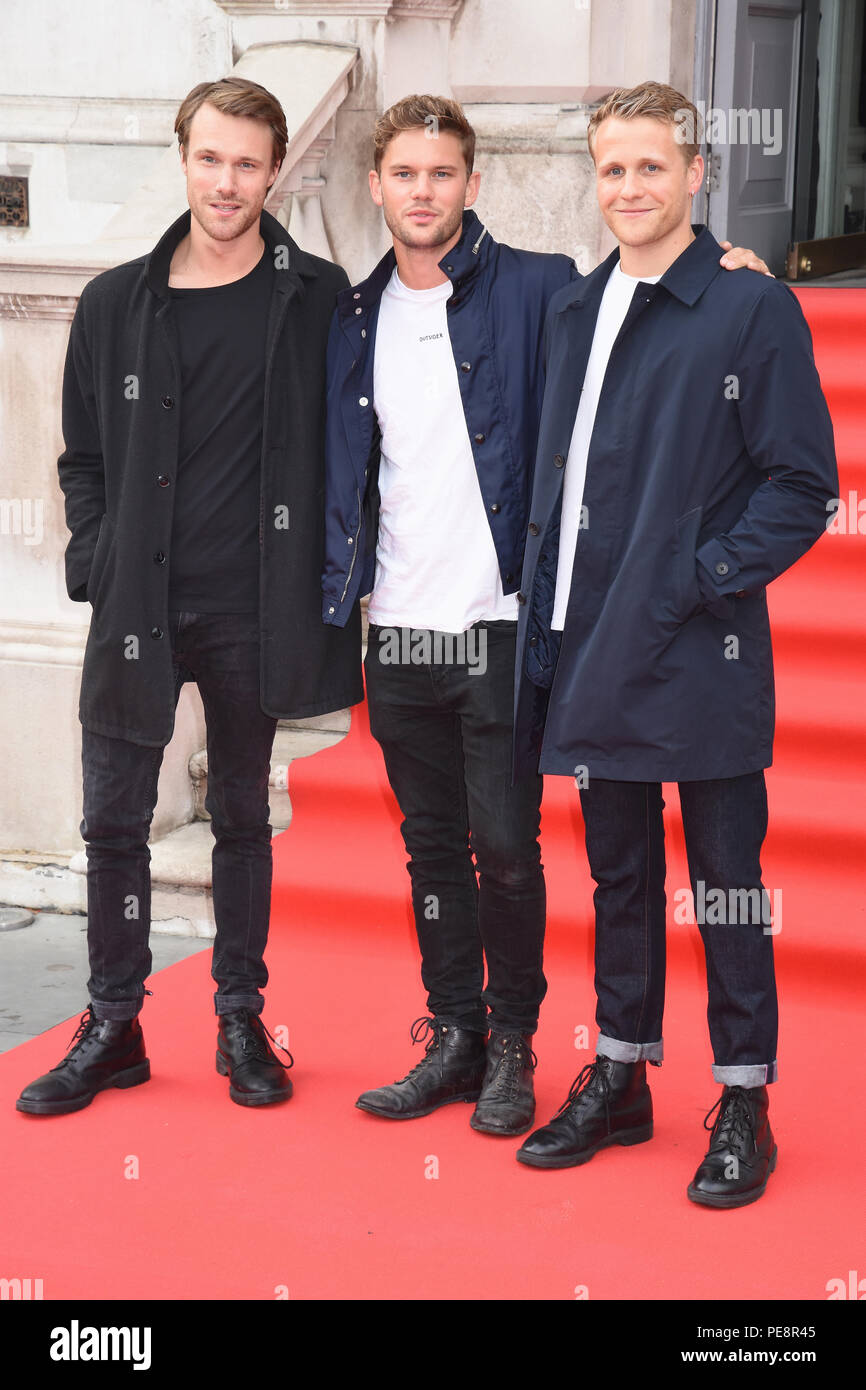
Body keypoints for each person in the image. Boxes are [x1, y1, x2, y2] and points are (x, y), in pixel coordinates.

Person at [322, 93, 768, 1138]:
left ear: (472, 186)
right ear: (375, 187)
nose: (422, 192)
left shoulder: (539, 292)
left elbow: (666, 312)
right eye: (403, 175)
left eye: (441, 174)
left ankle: (536, 1046)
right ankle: (462, 1034)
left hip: (509, 625)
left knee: (517, 848)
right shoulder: (347, 313)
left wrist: (732, 271)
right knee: (438, 848)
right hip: (407, 625)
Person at [513, 81, 837, 1206]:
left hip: (700, 649)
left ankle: (742, 1099)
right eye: (610, 168)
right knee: (614, 875)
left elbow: (803, 485)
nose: (628, 188)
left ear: (695, 173)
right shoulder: (570, 305)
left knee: (726, 885)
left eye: (649, 166)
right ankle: (620, 1070)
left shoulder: (748, 308)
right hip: (585, 641)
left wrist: (701, 577)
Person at [16, 77, 362, 1116]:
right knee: (112, 822)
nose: (227, 180)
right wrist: (95, 556)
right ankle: (114, 1023)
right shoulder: (118, 301)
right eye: (210, 158)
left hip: (255, 604)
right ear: (183, 158)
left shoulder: (316, 296)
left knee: (243, 818)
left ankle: (239, 1018)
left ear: (274, 169)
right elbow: (81, 454)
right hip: (137, 606)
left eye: (248, 162)